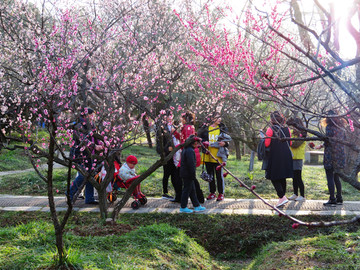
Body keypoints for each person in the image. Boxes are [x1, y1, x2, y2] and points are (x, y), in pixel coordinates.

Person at [69, 107, 103, 204]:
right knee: (83, 175)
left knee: (90, 175)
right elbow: (82, 140)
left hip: (89, 154)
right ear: (86, 115)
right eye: (92, 115)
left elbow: (95, 137)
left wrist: (101, 144)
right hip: (79, 154)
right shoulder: (78, 125)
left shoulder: (91, 125)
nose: (93, 117)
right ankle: (70, 193)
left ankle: (89, 198)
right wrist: (94, 146)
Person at [315, 110, 346, 207]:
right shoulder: (342, 127)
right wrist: (322, 145)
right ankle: (339, 198)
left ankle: (332, 199)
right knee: (336, 176)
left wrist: (323, 143)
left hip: (331, 155)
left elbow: (328, 140)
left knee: (330, 176)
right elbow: (342, 140)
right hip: (340, 155)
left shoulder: (329, 127)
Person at [198, 112, 230, 202]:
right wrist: (204, 143)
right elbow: (200, 138)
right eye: (217, 117)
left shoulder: (222, 128)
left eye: (220, 117)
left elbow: (228, 140)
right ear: (212, 118)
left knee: (219, 175)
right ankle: (212, 192)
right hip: (208, 154)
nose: (219, 119)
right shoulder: (205, 129)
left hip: (218, 156)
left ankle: (221, 193)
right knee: (210, 175)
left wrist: (225, 143)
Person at [264, 111, 293, 208]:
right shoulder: (287, 129)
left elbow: (267, 144)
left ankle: (282, 196)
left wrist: (262, 138)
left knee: (273, 176)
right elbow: (290, 143)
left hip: (275, 156)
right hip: (286, 156)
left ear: (272, 120)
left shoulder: (270, 129)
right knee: (282, 176)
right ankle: (282, 198)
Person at [178, 111, 204, 203]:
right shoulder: (191, 127)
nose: (181, 120)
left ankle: (196, 198)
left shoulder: (187, 128)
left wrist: (179, 146)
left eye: (182, 118)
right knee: (191, 179)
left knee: (190, 178)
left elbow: (187, 141)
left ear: (185, 119)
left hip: (189, 153)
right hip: (193, 152)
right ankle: (197, 200)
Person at [156, 110, 181, 201]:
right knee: (166, 174)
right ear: (164, 117)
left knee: (175, 175)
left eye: (171, 116)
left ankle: (177, 193)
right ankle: (165, 192)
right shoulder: (161, 128)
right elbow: (159, 146)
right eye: (168, 116)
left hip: (175, 156)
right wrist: (167, 150)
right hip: (167, 156)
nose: (170, 118)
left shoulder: (173, 127)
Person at [179, 135, 206, 213]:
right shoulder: (190, 151)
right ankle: (183, 207)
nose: (197, 145)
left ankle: (196, 205)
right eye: (197, 143)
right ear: (193, 143)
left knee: (192, 190)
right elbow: (191, 164)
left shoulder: (186, 149)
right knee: (186, 190)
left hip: (186, 173)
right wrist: (193, 175)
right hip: (187, 174)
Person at [288, 117, 307, 202]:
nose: (293, 128)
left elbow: (295, 144)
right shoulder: (293, 134)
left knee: (298, 177)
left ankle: (302, 195)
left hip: (298, 157)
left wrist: (288, 141)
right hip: (292, 157)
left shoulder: (303, 134)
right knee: (293, 177)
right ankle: (295, 194)